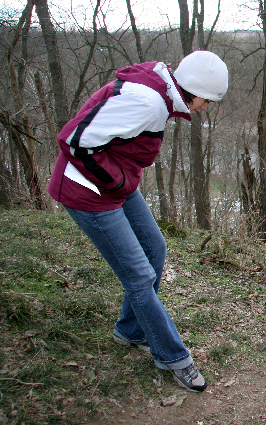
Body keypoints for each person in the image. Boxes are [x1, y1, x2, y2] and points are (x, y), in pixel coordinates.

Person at [48, 50, 228, 392]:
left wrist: (121, 181)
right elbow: (74, 140)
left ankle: (130, 331)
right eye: (208, 101)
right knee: (140, 277)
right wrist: (118, 182)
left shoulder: (159, 91)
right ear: (194, 90)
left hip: (114, 181)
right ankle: (174, 357)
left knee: (154, 248)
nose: (205, 109)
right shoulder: (148, 102)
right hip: (88, 190)